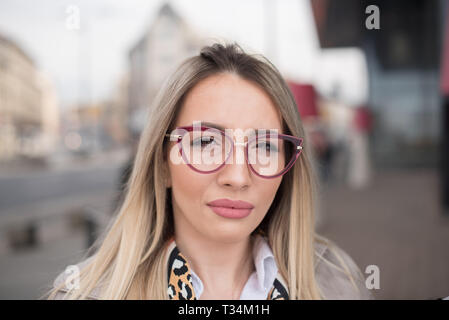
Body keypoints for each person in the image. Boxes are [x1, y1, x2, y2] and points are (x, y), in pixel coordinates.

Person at [44, 42, 373, 300]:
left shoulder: (339, 283)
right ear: (161, 164)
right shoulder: (85, 294)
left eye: (266, 147)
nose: (238, 177)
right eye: (206, 143)